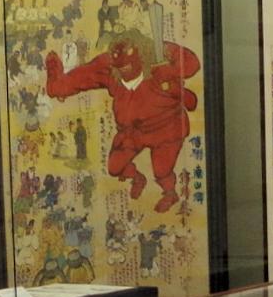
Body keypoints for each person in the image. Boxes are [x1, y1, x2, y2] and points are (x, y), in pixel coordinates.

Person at [44, 35, 202, 213]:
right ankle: (137, 178)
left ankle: (170, 193)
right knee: (115, 167)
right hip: (132, 132)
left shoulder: (157, 61)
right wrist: (55, 80)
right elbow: (82, 77)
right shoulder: (110, 68)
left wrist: (170, 71)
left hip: (166, 128)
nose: (123, 70)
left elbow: (192, 67)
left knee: (162, 170)